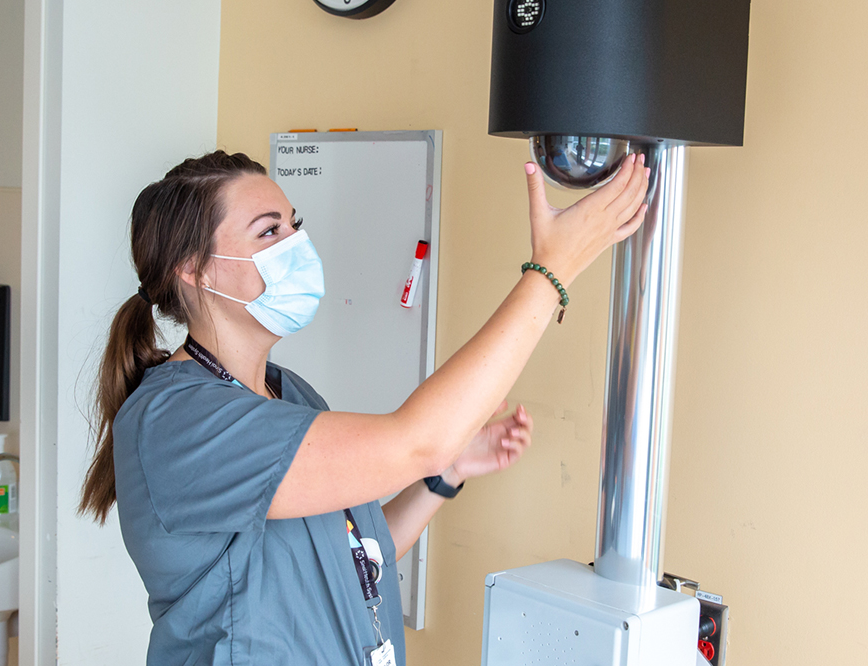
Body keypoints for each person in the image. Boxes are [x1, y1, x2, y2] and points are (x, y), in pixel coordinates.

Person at [79, 149, 648, 665]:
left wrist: (445, 472)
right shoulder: (178, 422)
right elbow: (413, 440)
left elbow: (355, 551)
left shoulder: (289, 393)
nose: (296, 243)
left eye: (295, 225)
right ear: (194, 268)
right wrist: (551, 273)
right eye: (268, 231)